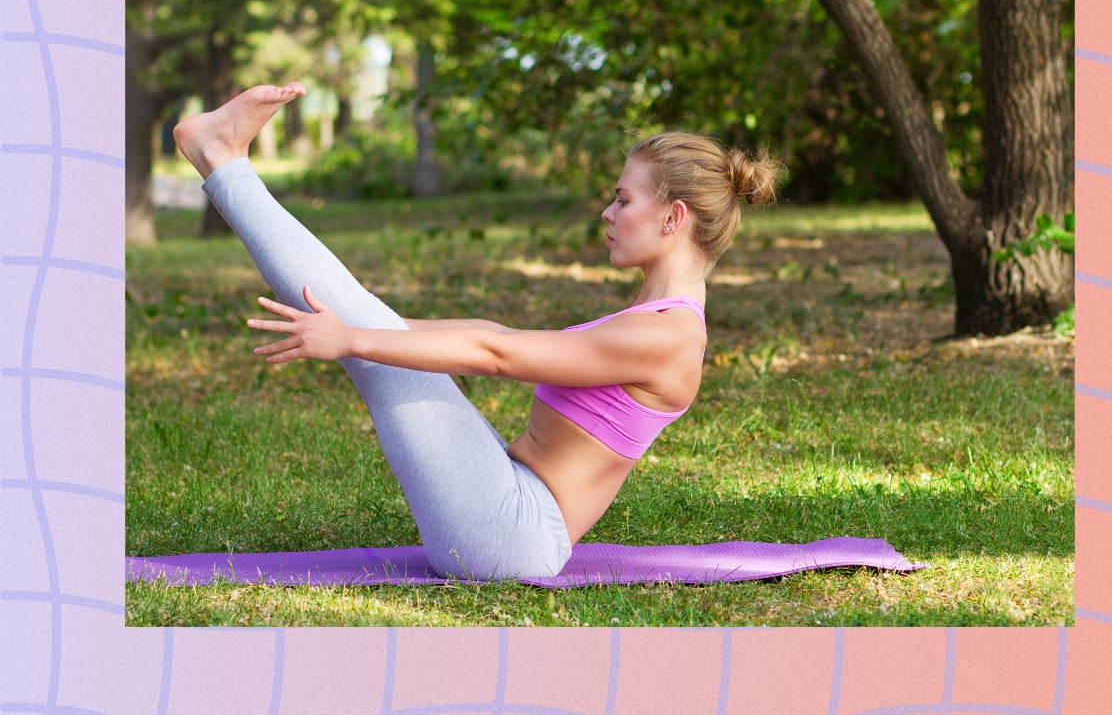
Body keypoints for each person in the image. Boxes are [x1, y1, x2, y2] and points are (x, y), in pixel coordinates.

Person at [174, 82, 783, 580]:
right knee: (375, 331)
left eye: (623, 200)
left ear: (673, 217)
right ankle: (222, 158)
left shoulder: (668, 337)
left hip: (511, 536)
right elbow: (493, 330)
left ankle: (221, 160)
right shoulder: (655, 318)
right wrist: (380, 322)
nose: (608, 211)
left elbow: (496, 353)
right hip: (507, 506)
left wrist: (355, 338)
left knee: (378, 350)